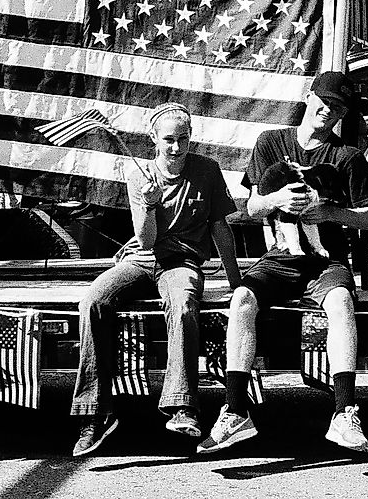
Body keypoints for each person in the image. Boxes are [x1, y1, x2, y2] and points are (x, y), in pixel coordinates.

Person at [198, 71, 368, 456]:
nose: (328, 112)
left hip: (327, 259)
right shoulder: (271, 142)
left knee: (340, 303)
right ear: (309, 96)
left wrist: (331, 211)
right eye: (324, 102)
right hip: (279, 256)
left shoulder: (346, 157)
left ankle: (344, 412)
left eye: (338, 108)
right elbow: (250, 207)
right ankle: (235, 411)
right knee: (241, 301)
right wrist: (277, 199)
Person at [71, 102, 242, 457]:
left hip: (181, 261)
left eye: (183, 139)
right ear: (154, 139)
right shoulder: (141, 176)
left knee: (182, 304)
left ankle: (182, 405)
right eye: (168, 140)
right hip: (143, 258)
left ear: (191, 137)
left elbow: (220, 227)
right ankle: (95, 413)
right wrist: (148, 205)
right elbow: (146, 241)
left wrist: (236, 281)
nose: (177, 148)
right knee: (93, 300)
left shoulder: (207, 170)